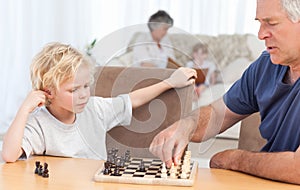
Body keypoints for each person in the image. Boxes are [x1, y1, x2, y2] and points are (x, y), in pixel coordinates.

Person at [149, 0, 300, 185]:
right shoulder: (265, 66)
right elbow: (219, 113)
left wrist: (235, 160)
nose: (261, 34)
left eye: (271, 23)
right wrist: (187, 125)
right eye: (259, 23)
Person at [1, 42, 196, 163]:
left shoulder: (95, 108)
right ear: (48, 92)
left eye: (86, 86)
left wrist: (170, 82)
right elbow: (9, 155)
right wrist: (24, 109)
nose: (83, 94)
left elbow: (132, 100)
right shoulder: (39, 123)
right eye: (73, 90)